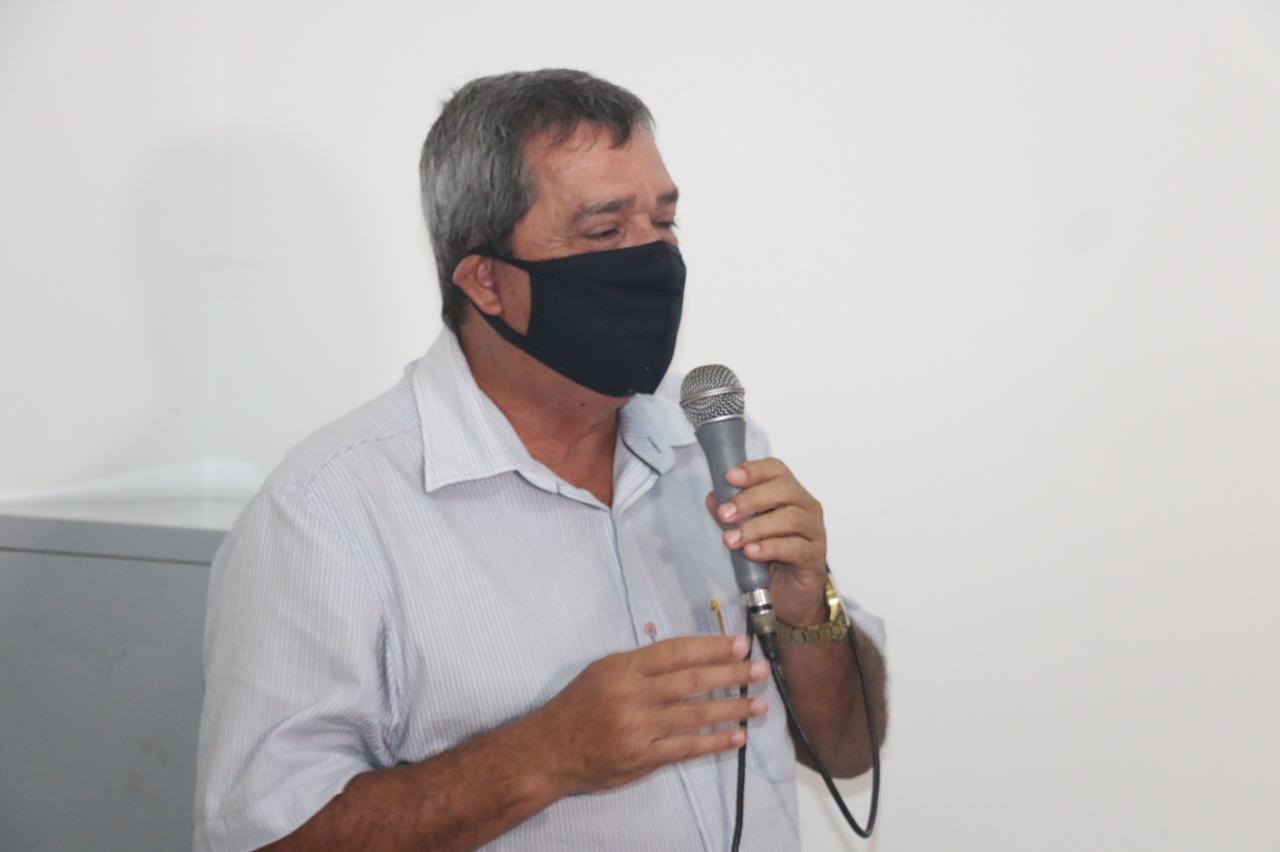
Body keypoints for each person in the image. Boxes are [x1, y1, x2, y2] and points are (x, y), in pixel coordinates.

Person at [194, 68, 888, 852]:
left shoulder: (711, 447)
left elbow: (848, 751)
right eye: (605, 232)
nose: (653, 258)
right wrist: (544, 756)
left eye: (664, 222)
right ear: (487, 280)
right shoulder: (326, 513)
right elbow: (264, 839)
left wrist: (808, 615)